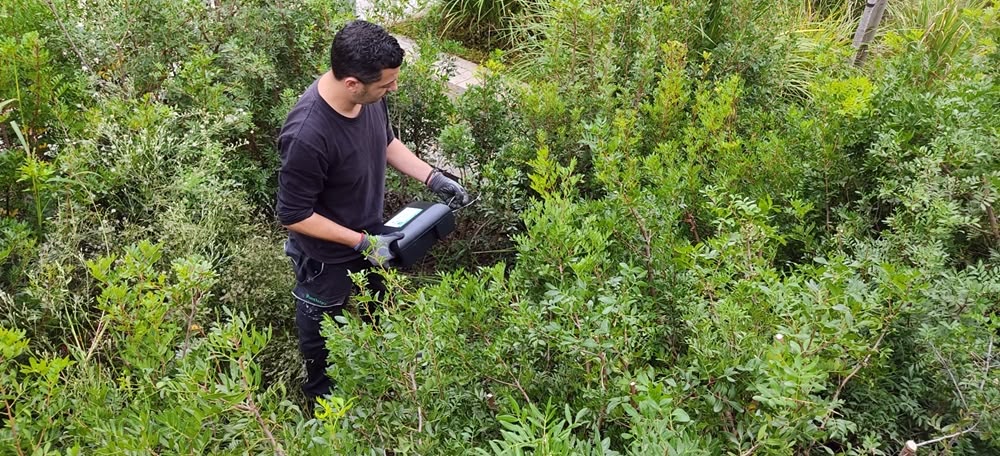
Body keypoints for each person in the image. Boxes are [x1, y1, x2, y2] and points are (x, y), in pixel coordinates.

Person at [275, 20, 471, 400]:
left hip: (371, 236)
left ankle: (385, 389)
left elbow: (386, 141)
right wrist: (361, 242)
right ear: (352, 83)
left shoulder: (369, 98)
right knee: (323, 354)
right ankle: (324, 415)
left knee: (383, 314)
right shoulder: (307, 134)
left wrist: (433, 178)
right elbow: (294, 214)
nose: (393, 89)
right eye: (386, 84)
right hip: (325, 260)